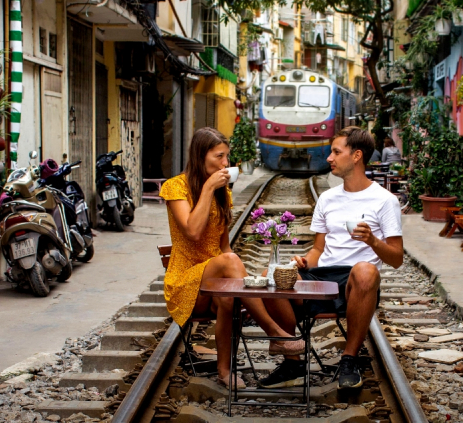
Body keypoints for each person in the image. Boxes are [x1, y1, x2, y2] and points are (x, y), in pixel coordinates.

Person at [260, 126, 404, 390]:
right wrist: (303, 262)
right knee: (269, 277)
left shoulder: (384, 201)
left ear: (357, 156)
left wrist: (373, 241)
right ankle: (293, 362)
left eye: (336, 152)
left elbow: (396, 258)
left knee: (365, 270)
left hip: (355, 282)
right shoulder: (327, 198)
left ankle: (349, 360)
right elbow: (318, 250)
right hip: (321, 278)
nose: (329, 158)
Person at [159, 127, 304, 389]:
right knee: (230, 264)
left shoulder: (223, 193)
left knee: (229, 292)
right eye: (219, 156)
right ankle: (274, 333)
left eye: (227, 157)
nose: (225, 163)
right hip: (186, 284)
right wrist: (207, 188)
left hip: (216, 281)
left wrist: (244, 282)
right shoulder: (176, 187)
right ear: (200, 155)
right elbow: (192, 231)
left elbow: (224, 246)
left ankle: (224, 372)